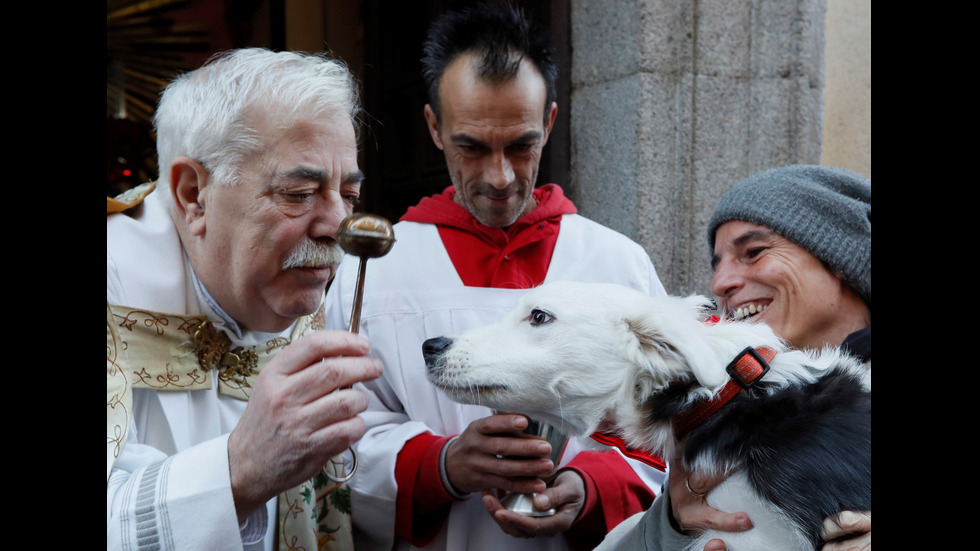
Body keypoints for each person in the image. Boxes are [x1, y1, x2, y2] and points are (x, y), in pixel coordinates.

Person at [323, 4, 668, 551]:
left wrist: (588, 488)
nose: (500, 177)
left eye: (521, 145)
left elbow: (669, 431)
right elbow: (336, 435)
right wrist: (443, 465)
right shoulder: (379, 272)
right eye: (472, 147)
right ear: (435, 128)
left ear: (550, 122)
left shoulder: (617, 265)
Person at [106, 48, 384, 551]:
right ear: (194, 193)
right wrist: (239, 471)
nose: (336, 227)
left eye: (349, 195)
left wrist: (445, 467)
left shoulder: (305, 284)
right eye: (299, 193)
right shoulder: (114, 287)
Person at [603, 164, 871, 550]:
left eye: (754, 252)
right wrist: (672, 525)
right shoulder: (727, 414)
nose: (719, 284)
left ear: (841, 259)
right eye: (718, 263)